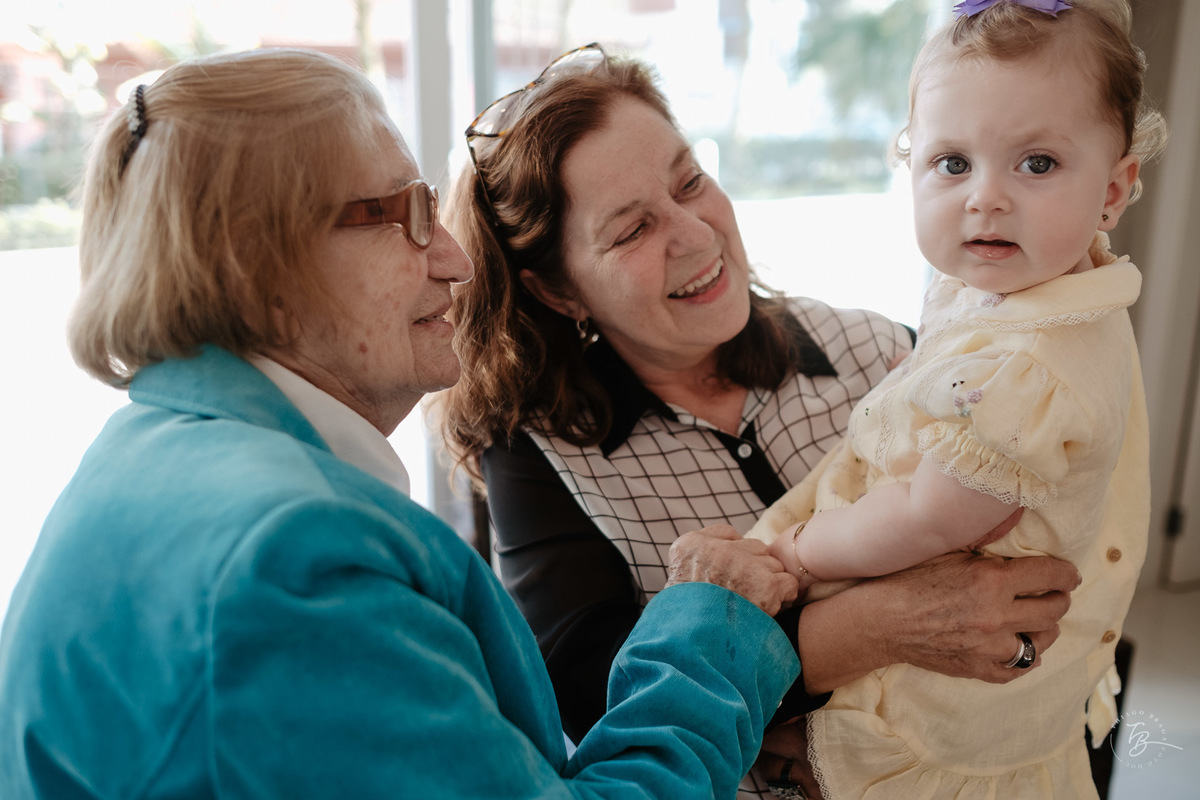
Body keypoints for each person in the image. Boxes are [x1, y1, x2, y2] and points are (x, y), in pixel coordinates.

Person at [0, 47, 810, 800]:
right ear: (261, 270)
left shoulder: (148, 460)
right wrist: (713, 620)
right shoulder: (294, 559)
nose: (456, 257)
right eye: (407, 214)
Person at [435, 42, 1082, 799]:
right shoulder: (543, 456)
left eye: (691, 182)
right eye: (631, 230)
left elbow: (1039, 565)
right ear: (557, 290)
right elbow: (592, 695)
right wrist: (873, 629)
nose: (696, 233)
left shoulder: (879, 352)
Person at [745, 1, 1168, 797]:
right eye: (952, 163)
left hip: (945, 714)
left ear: (1113, 192)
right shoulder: (1021, 285)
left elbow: (926, 517)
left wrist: (799, 553)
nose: (986, 198)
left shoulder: (1030, 368)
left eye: (1036, 163)